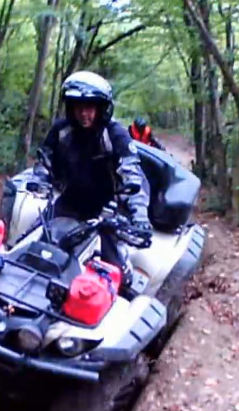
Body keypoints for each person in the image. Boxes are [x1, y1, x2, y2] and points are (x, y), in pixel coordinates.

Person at [34, 71, 152, 270]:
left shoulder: (115, 134)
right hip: (72, 199)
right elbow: (44, 159)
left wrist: (139, 215)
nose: (83, 114)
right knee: (36, 239)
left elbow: (132, 174)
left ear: (101, 108)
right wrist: (40, 181)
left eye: (89, 107)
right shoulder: (61, 130)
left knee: (113, 269)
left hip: (108, 207)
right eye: (78, 107)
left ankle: (123, 286)